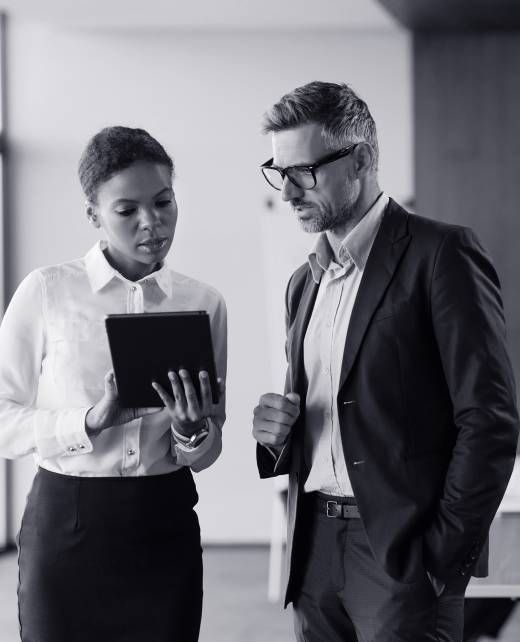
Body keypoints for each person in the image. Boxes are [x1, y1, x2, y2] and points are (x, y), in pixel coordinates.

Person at [252, 81, 519, 642]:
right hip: (316, 550)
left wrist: (442, 555)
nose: (289, 191)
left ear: (362, 159)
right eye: (280, 174)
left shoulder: (442, 255)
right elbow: (330, 412)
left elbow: (490, 420)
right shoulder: (304, 282)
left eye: (305, 172)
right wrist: (277, 432)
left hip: (403, 555)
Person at [0, 126, 227, 642]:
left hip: (164, 524)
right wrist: (90, 421)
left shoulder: (204, 304)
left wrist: (193, 433)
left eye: (164, 202)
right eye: (127, 211)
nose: (152, 223)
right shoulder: (47, 292)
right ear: (94, 216)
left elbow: (209, 446)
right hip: (65, 526)